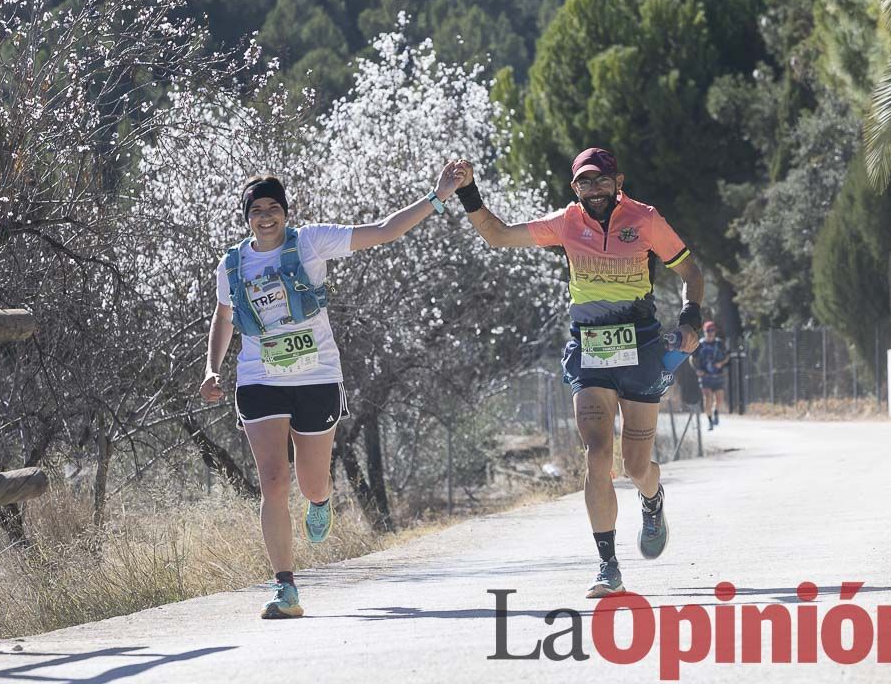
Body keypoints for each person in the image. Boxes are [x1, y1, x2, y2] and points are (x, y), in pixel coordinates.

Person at [199, 163, 465, 619]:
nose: (266, 216)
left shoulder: (311, 242)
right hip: (259, 378)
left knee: (311, 481)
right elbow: (224, 317)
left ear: (286, 212)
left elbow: (382, 231)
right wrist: (211, 368)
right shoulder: (232, 264)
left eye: (273, 208)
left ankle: (321, 501)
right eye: (257, 210)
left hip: (317, 375)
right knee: (273, 481)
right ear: (246, 217)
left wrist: (437, 196)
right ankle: (286, 587)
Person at [451, 148, 704, 597]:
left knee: (637, 466)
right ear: (575, 189)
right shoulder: (566, 223)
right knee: (597, 454)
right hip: (590, 347)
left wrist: (689, 315)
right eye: (585, 182)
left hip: (640, 342)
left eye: (602, 180)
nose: (595, 189)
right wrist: (468, 190)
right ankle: (608, 565)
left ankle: (653, 497)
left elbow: (689, 269)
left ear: (618, 181)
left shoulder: (644, 219)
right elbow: (498, 235)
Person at [694, 321, 729, 429]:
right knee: (707, 398)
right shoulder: (699, 344)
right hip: (705, 377)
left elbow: (727, 356)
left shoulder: (719, 343)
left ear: (715, 332)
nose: (710, 333)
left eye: (712, 330)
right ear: (704, 331)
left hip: (718, 376)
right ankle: (710, 421)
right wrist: (697, 369)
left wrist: (721, 363)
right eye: (708, 331)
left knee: (719, 400)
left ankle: (716, 413)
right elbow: (692, 358)